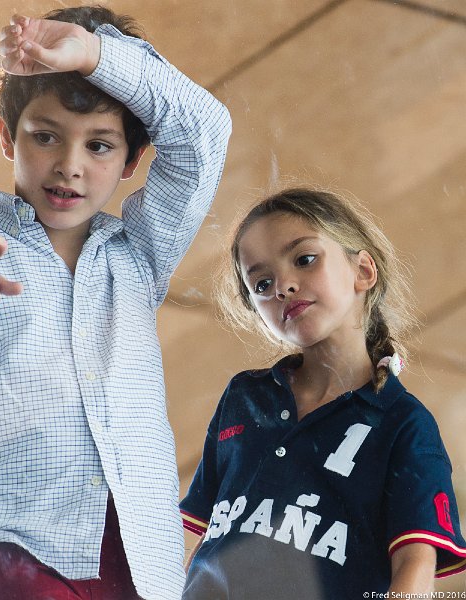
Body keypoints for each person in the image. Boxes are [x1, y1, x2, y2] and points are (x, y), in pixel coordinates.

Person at [0, 6, 231, 600]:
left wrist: (95, 54)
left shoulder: (137, 258)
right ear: (7, 136)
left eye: (101, 146)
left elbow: (205, 130)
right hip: (1, 548)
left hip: (138, 565)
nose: (70, 165)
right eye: (45, 136)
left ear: (133, 162)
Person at [180, 188, 466, 599]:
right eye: (262, 283)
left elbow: (415, 562)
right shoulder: (243, 396)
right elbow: (208, 537)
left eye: (304, 259)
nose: (283, 286)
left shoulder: (404, 423)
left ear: (364, 271)